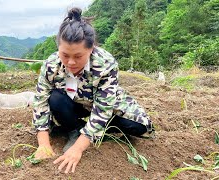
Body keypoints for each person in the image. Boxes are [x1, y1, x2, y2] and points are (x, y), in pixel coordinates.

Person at [32, 7, 153, 174]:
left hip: (102, 104)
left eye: (78, 56)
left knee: (138, 126)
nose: (71, 62)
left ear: (91, 49)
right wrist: (44, 144)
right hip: (72, 104)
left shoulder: (105, 64)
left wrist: (78, 149)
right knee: (54, 98)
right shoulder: (51, 65)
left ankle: (91, 131)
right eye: (65, 55)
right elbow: (40, 103)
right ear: (58, 48)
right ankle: (74, 130)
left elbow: (103, 109)